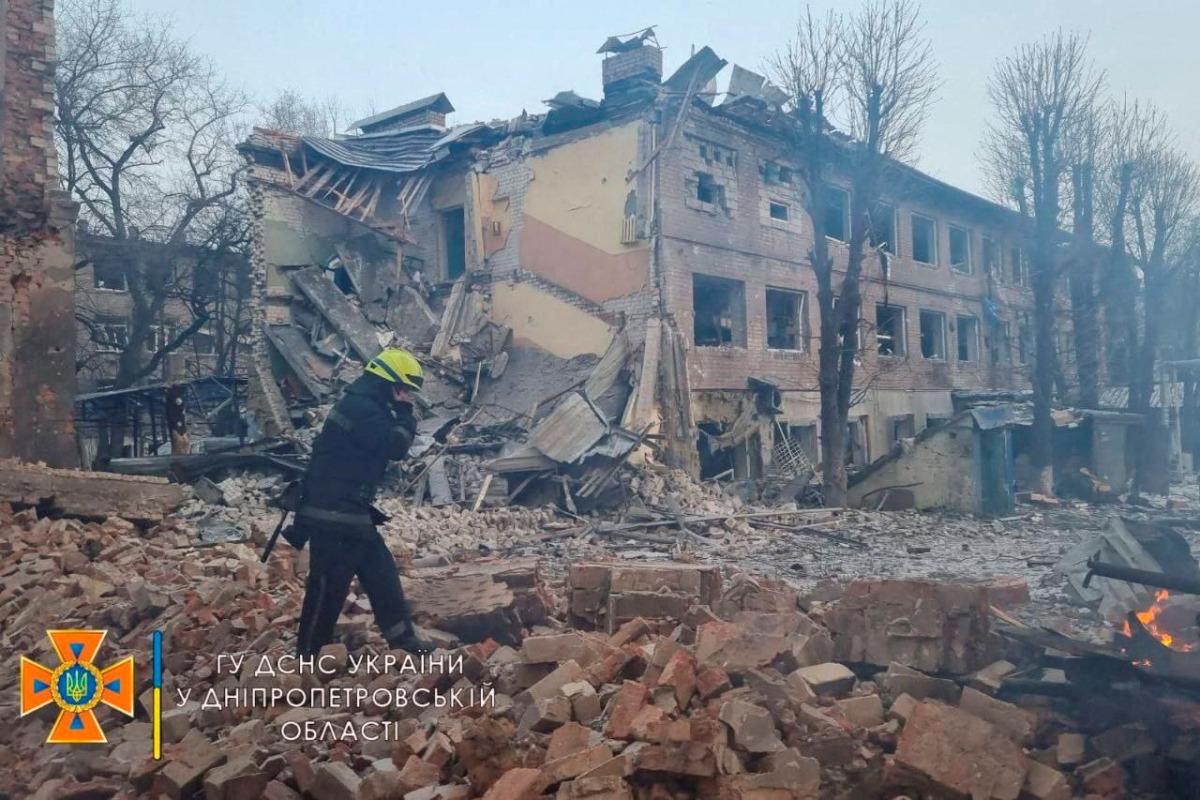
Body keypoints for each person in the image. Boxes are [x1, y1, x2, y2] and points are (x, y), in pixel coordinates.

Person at [293, 347, 433, 656]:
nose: (407, 396)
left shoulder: (366, 404)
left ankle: (403, 640)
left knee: (382, 574)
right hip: (333, 513)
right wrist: (406, 414)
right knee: (328, 586)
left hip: (348, 511)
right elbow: (395, 445)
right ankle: (308, 654)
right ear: (388, 383)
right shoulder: (361, 408)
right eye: (403, 389)